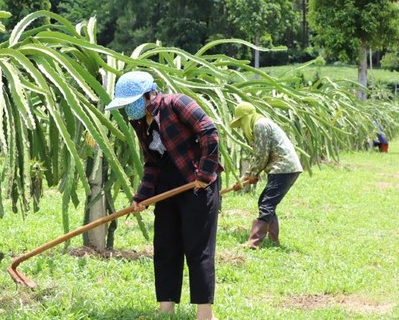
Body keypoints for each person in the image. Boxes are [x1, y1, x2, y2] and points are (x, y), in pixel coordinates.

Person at [105, 71, 223, 320]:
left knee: (197, 247)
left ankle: (205, 313)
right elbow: (152, 163)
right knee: (165, 245)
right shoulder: (139, 122)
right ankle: (166, 309)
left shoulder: (177, 103)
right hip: (167, 186)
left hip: (197, 183)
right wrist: (142, 196)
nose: (128, 110)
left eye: (131, 103)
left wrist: (205, 173)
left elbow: (209, 132)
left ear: (149, 95)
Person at [230, 102, 303, 249]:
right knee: (267, 201)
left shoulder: (260, 125)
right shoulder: (262, 123)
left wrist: (249, 175)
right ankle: (273, 240)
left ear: (246, 117)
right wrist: (249, 176)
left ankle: (254, 242)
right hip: (285, 167)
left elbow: (261, 155)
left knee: (266, 203)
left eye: (241, 122)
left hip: (283, 167)